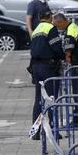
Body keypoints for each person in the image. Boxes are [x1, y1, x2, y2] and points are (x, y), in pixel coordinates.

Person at [52, 12, 78, 127]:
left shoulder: (70, 31)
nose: (57, 28)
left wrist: (67, 64)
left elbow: (68, 53)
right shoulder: (73, 27)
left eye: (57, 26)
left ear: (61, 22)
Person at [29, 10, 64, 140]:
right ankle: (54, 130)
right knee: (52, 98)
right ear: (49, 17)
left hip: (36, 68)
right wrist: (62, 56)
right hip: (48, 68)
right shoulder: (51, 28)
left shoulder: (36, 29)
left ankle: (36, 132)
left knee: (38, 99)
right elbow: (56, 48)